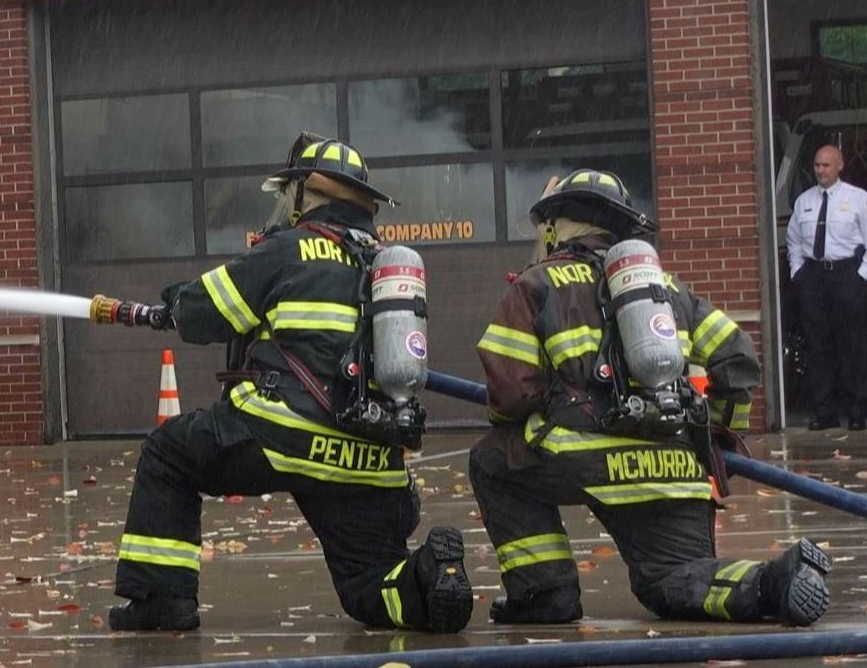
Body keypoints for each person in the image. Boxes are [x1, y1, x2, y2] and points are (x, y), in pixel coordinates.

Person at [89, 135, 472, 633]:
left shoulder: (288, 249)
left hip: (281, 431)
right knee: (369, 583)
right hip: (370, 455)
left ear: (303, 193)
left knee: (168, 454)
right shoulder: (385, 267)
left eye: (285, 193)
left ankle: (164, 601)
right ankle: (425, 580)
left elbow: (204, 312)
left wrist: (174, 302)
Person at [472, 170, 830, 626]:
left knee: (490, 463)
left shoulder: (536, 285)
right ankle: (772, 582)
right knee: (672, 579)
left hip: (578, 456)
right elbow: (737, 358)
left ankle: (546, 593)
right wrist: (717, 438)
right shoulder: (668, 289)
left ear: (553, 228)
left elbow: (509, 395)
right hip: (673, 464)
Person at [787, 143, 867, 430]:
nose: (821, 170)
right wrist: (798, 272)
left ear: (840, 166)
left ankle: (857, 411)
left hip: (847, 275)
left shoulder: (858, 199)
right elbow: (794, 241)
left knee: (852, 346)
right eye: (818, 165)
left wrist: (861, 277)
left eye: (827, 165)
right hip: (814, 278)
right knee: (817, 345)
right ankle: (825, 412)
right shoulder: (804, 201)